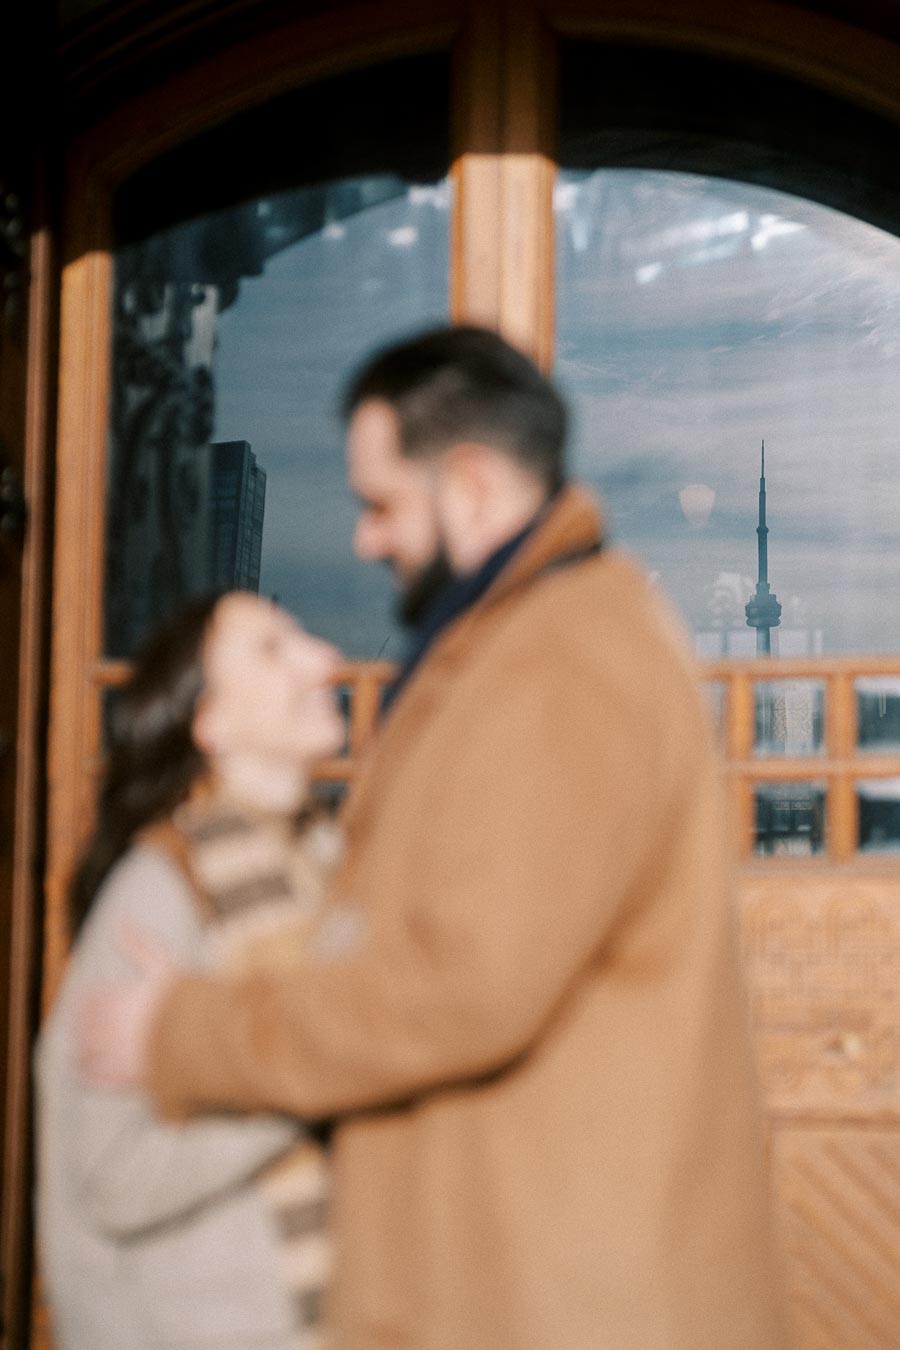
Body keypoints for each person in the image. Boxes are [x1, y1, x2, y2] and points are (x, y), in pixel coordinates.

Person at [80, 325, 788, 1349]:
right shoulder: (520, 643)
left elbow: (459, 984)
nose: (365, 540)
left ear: (469, 484)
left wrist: (186, 1036)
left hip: (558, 1296)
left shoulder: (558, 662)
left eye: (379, 504)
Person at [37, 590, 346, 1349]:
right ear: (210, 722)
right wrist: (314, 1080)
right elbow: (111, 1174)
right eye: (274, 649)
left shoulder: (332, 867)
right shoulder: (159, 891)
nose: (324, 660)